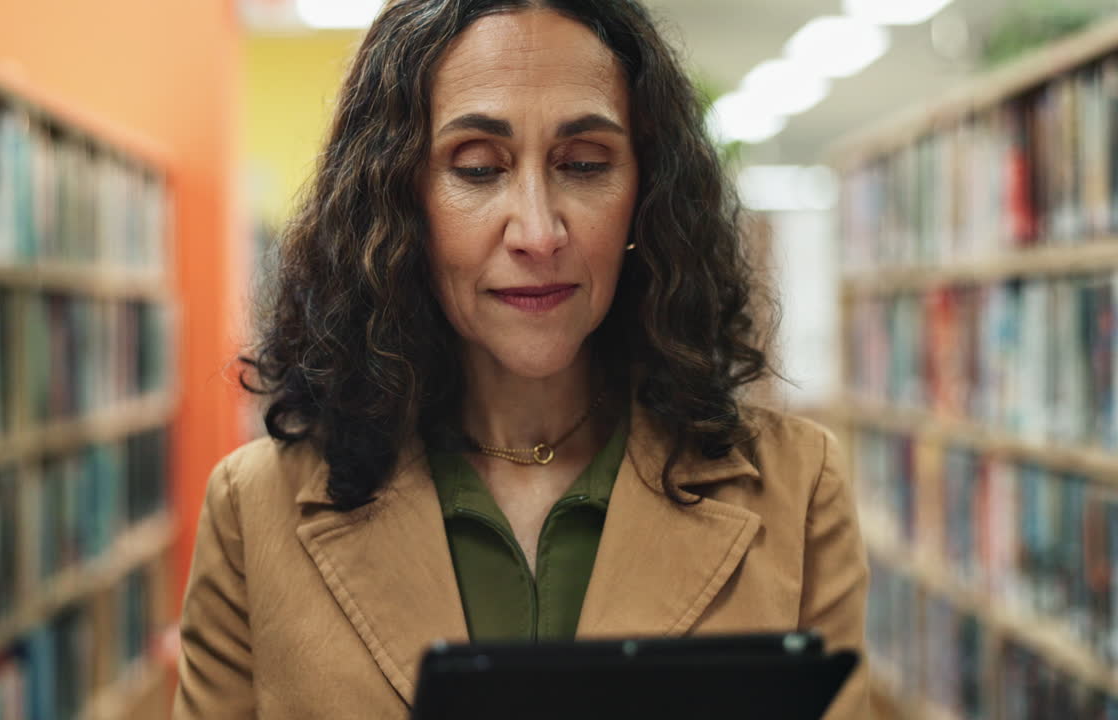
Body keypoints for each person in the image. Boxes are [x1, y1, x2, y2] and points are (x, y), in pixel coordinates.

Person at [173, 0, 869, 717]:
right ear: (400, 201)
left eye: (584, 164)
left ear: (645, 195)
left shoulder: (797, 489)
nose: (538, 232)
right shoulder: (253, 511)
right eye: (477, 169)